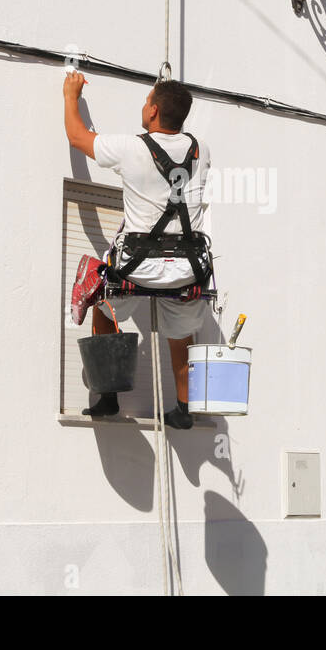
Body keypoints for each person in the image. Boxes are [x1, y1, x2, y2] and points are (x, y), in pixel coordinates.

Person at [64, 70, 212, 429]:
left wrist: (70, 95)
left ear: (154, 112)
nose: (143, 106)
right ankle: (183, 408)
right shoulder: (201, 150)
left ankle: (108, 397)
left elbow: (78, 137)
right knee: (180, 330)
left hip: (138, 267)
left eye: (147, 101)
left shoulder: (132, 147)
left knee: (103, 299)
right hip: (187, 268)